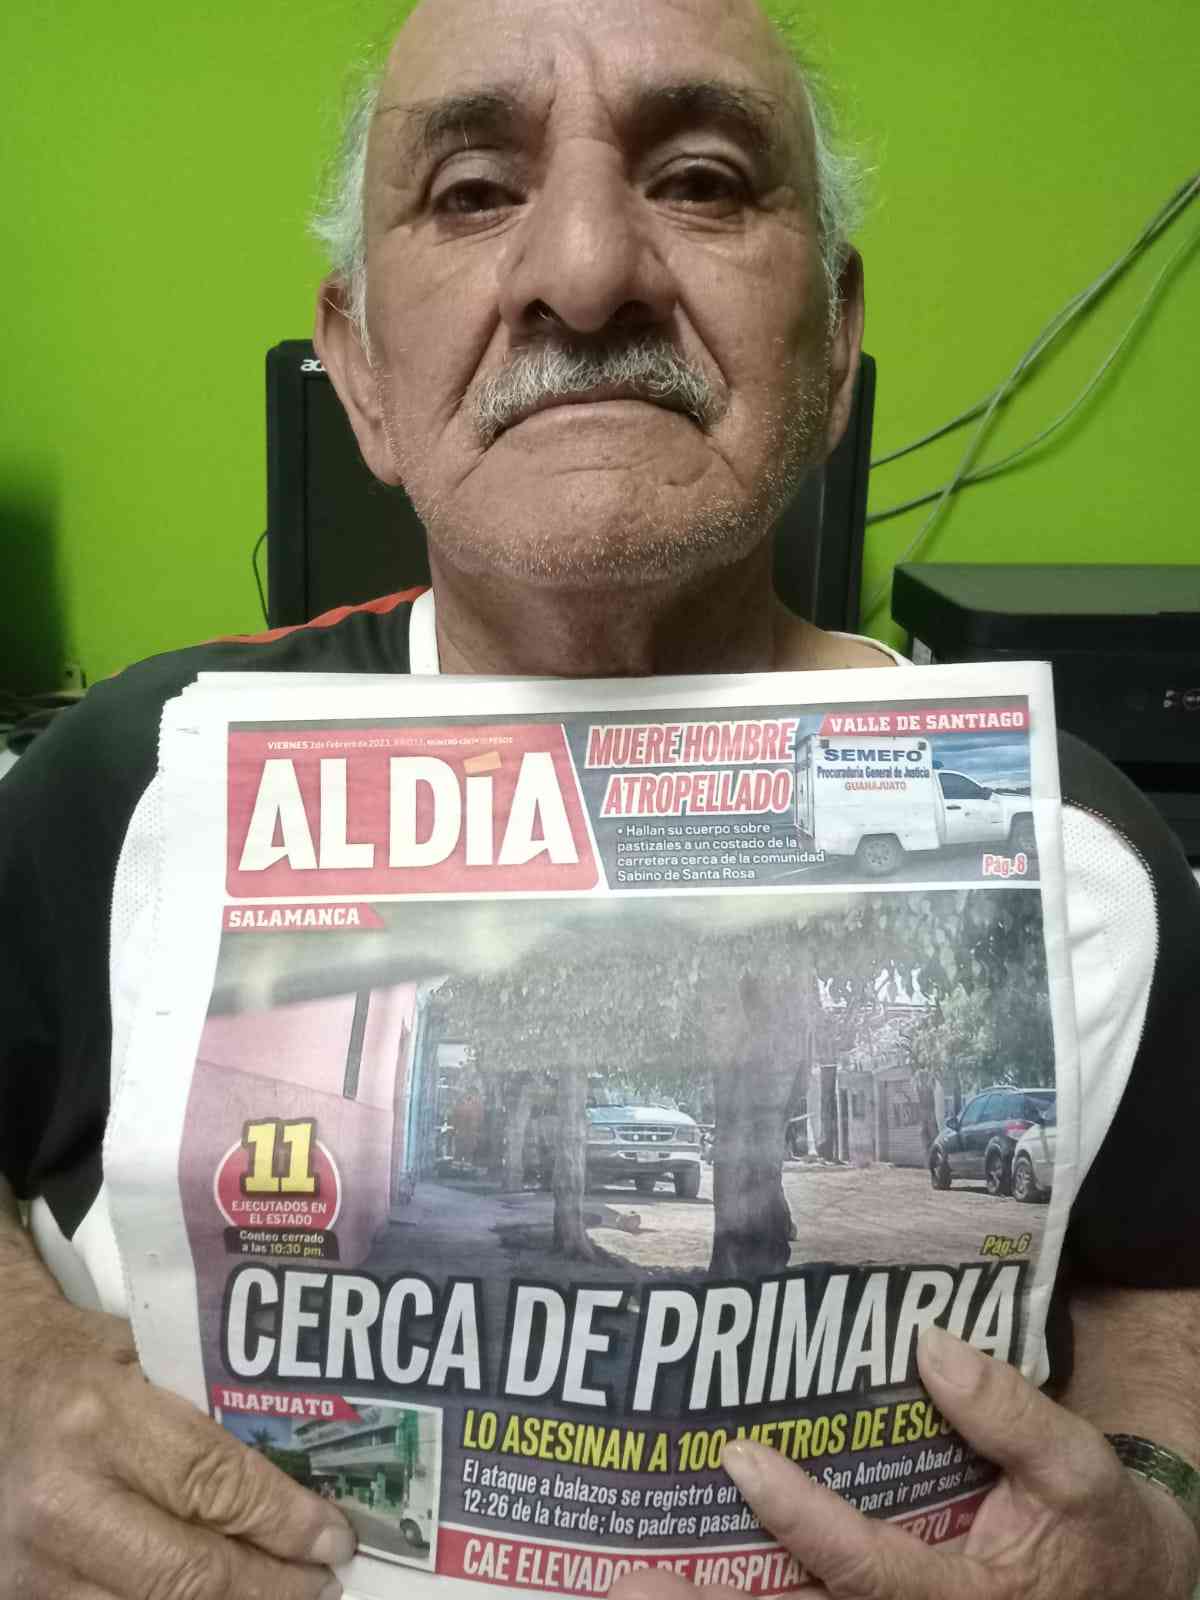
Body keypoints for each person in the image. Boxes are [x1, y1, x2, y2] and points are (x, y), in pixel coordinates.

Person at [1, 1, 1197, 1597]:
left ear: (834, 340)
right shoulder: (125, 782)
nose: (583, 271)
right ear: (358, 369)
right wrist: (17, 1381)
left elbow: (1158, 1281)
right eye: (472, 192)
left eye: (701, 180)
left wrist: (1160, 1518)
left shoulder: (1088, 852)